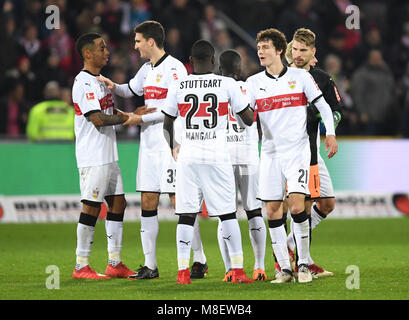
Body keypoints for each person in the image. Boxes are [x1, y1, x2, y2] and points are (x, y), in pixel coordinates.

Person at [246, 28, 338, 283]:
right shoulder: (253, 83)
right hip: (270, 154)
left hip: (297, 152)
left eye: (265, 47)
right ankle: (284, 269)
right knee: (273, 210)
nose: (260, 52)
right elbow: (246, 120)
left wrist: (329, 133)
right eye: (258, 47)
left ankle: (304, 264)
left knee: (298, 205)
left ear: (277, 50)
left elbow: (323, 106)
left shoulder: (300, 78)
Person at [97, 21, 188, 279]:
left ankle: (198, 260)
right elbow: (131, 89)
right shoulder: (146, 69)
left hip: (170, 142)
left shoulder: (176, 69)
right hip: (148, 145)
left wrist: (139, 119)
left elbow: (176, 108)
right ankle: (151, 266)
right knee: (147, 202)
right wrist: (113, 86)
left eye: (138, 41)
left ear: (150, 41)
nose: (134, 46)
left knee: (178, 202)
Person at [162, 40, 255, 285]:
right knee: (227, 215)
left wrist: (173, 146)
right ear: (213, 61)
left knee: (186, 215)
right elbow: (248, 119)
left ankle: (182, 273)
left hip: (188, 157)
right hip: (216, 156)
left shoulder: (178, 85)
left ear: (190, 61)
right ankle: (238, 271)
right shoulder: (227, 83)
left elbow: (167, 123)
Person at [71, 33, 135, 280]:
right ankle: (81, 265)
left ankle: (114, 262)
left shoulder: (98, 81)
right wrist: (127, 118)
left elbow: (107, 111)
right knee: (91, 206)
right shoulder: (83, 83)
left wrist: (132, 114)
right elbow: (96, 118)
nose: (106, 51)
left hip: (108, 154)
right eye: (101, 48)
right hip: (93, 156)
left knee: (119, 203)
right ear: (88, 54)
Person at [284, 28, 343, 278]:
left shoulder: (323, 79)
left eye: (303, 50)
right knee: (302, 205)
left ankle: (290, 244)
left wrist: (330, 129)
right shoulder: (283, 76)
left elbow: (336, 110)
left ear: (313, 52)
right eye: (295, 49)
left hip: (313, 149)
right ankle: (303, 261)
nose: (298, 54)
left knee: (326, 203)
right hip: (294, 151)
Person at [217, 49, 267, 282]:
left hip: (222, 160)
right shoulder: (250, 87)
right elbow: (258, 120)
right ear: (239, 70)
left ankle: (230, 269)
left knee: (225, 216)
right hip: (248, 159)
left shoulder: (213, 89)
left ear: (219, 69)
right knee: (254, 211)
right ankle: (259, 266)